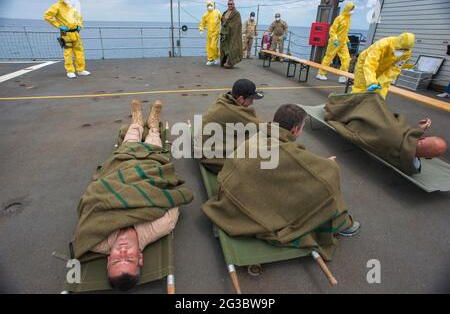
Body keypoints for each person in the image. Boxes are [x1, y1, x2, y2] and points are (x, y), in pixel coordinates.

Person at [202, 104, 361, 262]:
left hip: (228, 193)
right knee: (326, 180)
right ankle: (341, 223)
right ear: (295, 130)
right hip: (245, 207)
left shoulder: (260, 135)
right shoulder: (286, 152)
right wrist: (328, 164)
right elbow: (318, 169)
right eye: (302, 127)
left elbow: (293, 165)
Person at [72, 100, 194, 291]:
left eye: (116, 260)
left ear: (108, 260)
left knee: (128, 145)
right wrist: (148, 190)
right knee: (153, 146)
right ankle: (153, 126)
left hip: (117, 171)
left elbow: (89, 204)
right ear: (139, 257)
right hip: (149, 170)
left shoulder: (94, 241)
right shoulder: (159, 227)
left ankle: (136, 123)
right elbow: (172, 198)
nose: (121, 251)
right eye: (128, 257)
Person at [325, 92, 447, 175]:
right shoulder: (411, 166)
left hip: (359, 123)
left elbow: (397, 129)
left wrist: (418, 130)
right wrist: (418, 129)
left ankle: (335, 102)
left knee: (373, 98)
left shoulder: (400, 134)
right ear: (428, 158)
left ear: (421, 139)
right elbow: (408, 143)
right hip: (372, 130)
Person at [199, 79, 264, 174]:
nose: (252, 103)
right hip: (209, 157)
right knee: (253, 157)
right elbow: (262, 127)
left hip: (205, 145)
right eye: (250, 99)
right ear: (241, 99)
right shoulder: (234, 112)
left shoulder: (224, 100)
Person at [351, 32, 415, 100]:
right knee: (361, 87)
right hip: (365, 63)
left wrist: (381, 82)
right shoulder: (382, 45)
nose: (402, 51)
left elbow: (395, 69)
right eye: (400, 49)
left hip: (384, 67)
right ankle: (352, 105)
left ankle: (373, 107)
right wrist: (372, 82)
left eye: (405, 50)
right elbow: (370, 64)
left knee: (381, 90)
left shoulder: (406, 53)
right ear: (397, 44)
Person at [44, 0, 90, 79]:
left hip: (75, 32)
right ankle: (70, 71)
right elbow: (47, 16)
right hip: (65, 33)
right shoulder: (56, 7)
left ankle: (80, 70)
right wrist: (59, 26)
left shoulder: (71, 7)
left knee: (79, 51)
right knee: (68, 52)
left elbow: (79, 17)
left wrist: (79, 25)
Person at [316, 2, 355, 83]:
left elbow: (344, 32)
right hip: (335, 42)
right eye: (351, 9)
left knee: (346, 59)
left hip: (343, 42)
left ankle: (343, 76)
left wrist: (347, 41)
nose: (353, 11)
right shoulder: (339, 18)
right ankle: (320, 73)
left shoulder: (348, 19)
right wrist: (335, 39)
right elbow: (332, 30)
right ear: (348, 9)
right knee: (329, 57)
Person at [220, 0, 243, 68]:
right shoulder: (225, 12)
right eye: (229, 4)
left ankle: (230, 63)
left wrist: (229, 26)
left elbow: (238, 24)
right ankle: (224, 61)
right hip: (225, 33)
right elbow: (222, 21)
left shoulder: (236, 13)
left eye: (231, 4)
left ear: (234, 5)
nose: (230, 5)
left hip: (233, 34)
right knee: (224, 47)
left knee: (232, 48)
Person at [199, 0, 222, 66]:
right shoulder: (205, 15)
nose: (209, 6)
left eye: (211, 5)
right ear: (206, 6)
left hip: (216, 32)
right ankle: (211, 59)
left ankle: (217, 57)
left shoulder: (217, 12)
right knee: (208, 47)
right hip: (209, 33)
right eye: (208, 5)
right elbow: (202, 23)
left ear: (213, 6)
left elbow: (223, 19)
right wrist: (201, 29)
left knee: (213, 46)